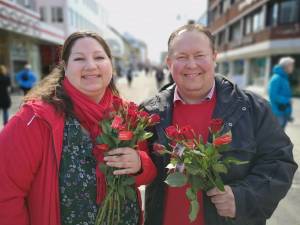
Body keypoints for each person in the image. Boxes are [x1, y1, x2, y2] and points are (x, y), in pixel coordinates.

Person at [141, 24, 298, 225]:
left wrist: (243, 198)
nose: (191, 65)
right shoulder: (149, 112)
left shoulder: (253, 109)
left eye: (199, 55)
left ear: (214, 57)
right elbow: (141, 169)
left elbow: (280, 163)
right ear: (169, 62)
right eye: (182, 57)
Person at [0, 31, 156, 225]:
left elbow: (145, 175)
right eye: (79, 58)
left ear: (110, 64)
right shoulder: (34, 119)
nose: (91, 66)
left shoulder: (126, 114)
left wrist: (139, 164)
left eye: (99, 57)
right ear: (65, 66)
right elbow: (5, 193)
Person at [268, 57, 294, 129]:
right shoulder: (277, 78)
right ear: (286, 66)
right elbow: (273, 95)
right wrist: (287, 100)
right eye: (291, 65)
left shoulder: (284, 78)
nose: (292, 67)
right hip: (278, 112)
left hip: (283, 111)